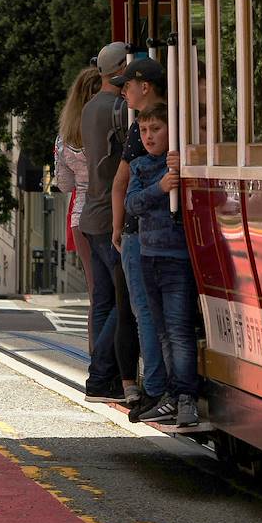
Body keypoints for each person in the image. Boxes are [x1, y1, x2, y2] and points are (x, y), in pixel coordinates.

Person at [125, 104, 201, 429]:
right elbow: (132, 203)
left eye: (155, 129)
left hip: (176, 258)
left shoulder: (180, 162)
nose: (148, 136)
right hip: (148, 256)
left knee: (179, 330)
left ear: (171, 130)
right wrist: (160, 187)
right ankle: (172, 394)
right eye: (143, 131)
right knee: (163, 332)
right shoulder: (141, 166)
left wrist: (175, 175)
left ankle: (186, 398)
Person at [109, 55, 169, 418]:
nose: (124, 93)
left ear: (144, 86)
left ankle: (153, 389)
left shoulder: (140, 128)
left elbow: (121, 182)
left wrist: (117, 228)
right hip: (163, 232)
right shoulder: (168, 121)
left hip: (137, 230)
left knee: (142, 310)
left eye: (127, 86)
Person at [78, 41, 133, 402]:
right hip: (110, 214)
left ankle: (100, 375)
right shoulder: (119, 109)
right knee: (123, 298)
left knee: (102, 300)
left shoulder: (87, 108)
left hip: (90, 213)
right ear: (121, 72)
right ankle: (101, 374)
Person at [54, 66, 104, 291]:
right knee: (114, 292)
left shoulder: (64, 138)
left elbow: (64, 185)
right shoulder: (107, 127)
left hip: (80, 216)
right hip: (106, 212)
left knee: (95, 293)